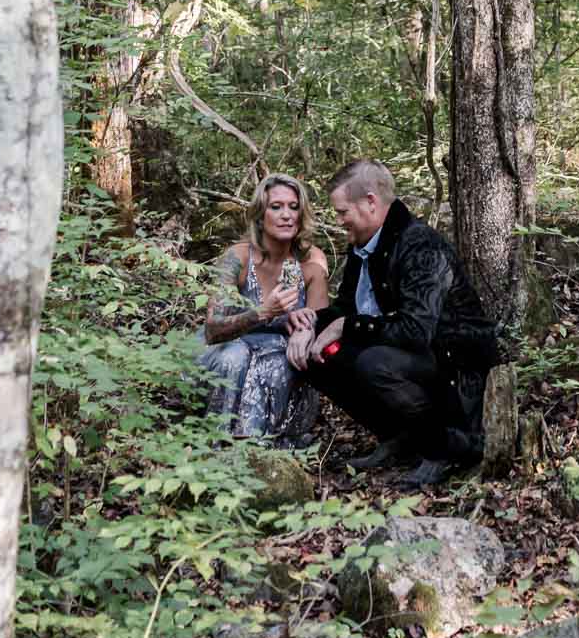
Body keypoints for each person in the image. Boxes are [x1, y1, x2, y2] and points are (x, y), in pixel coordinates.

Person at [290, 159, 501, 489]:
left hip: (454, 368)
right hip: (412, 357)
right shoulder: (364, 248)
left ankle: (443, 448)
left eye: (343, 211)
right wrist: (309, 323)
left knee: (375, 363)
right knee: (316, 357)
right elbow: (347, 308)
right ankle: (398, 436)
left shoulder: (421, 246)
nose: (339, 220)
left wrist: (346, 326)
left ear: (371, 202)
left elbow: (416, 332)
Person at [200, 173, 329, 442]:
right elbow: (212, 330)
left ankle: (269, 448)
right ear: (260, 215)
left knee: (285, 361)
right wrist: (263, 312)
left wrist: (306, 329)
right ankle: (218, 442)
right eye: (276, 207)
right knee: (234, 356)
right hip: (228, 352)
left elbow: (322, 321)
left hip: (275, 356)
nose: (286, 215)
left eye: (294, 207)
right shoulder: (238, 257)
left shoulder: (309, 260)